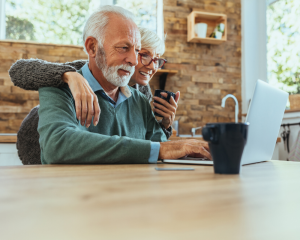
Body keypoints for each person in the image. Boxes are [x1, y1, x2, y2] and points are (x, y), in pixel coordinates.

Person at [10, 5, 211, 164]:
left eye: (137, 50)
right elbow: (56, 146)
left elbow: (159, 145)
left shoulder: (140, 97)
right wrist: (159, 149)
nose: (134, 60)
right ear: (92, 47)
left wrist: (176, 137)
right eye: (124, 48)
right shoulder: (59, 82)